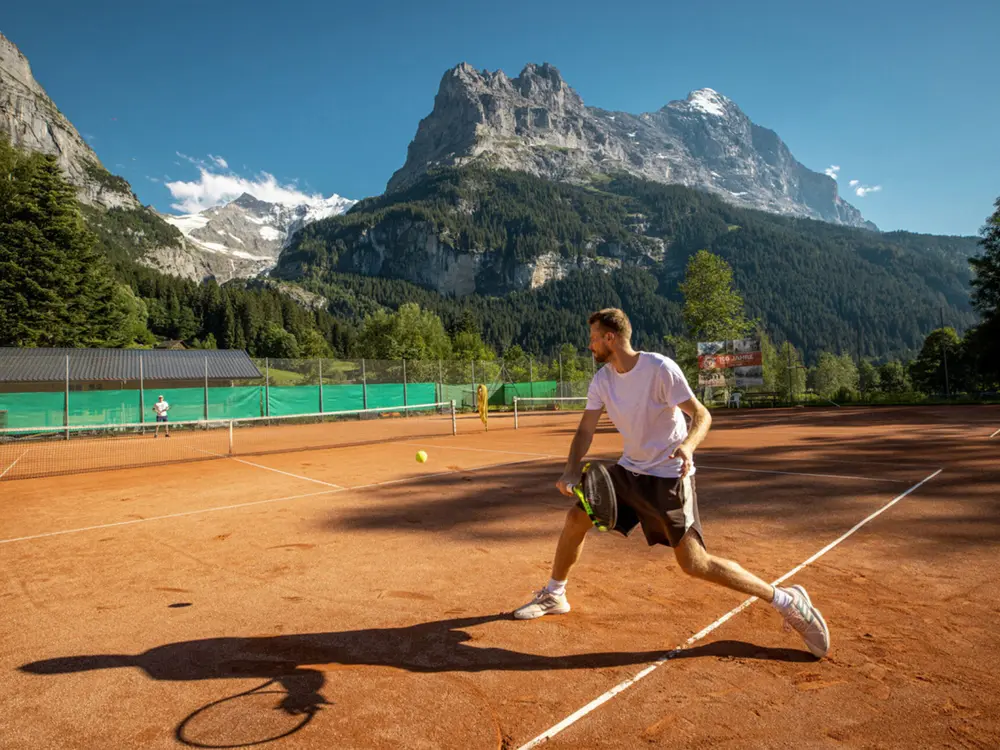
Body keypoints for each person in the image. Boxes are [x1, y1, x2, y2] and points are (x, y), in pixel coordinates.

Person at [512, 308, 830, 658]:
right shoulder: (602, 379)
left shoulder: (659, 369)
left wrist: (688, 447)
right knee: (576, 519)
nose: (589, 346)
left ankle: (785, 599)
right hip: (629, 471)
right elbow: (586, 429)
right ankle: (555, 594)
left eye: (593, 338)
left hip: (668, 475)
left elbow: (702, 414)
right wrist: (571, 469)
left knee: (695, 564)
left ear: (610, 338)